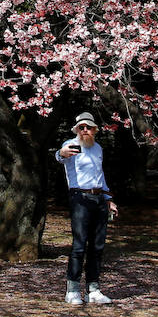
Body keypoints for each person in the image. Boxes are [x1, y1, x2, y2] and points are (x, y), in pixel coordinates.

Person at [55, 112, 118, 305]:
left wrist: (108, 198)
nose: (85, 131)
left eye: (88, 127)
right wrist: (60, 154)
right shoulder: (71, 144)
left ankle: (93, 289)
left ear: (94, 130)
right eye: (81, 127)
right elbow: (60, 156)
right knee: (79, 245)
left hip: (99, 198)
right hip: (80, 197)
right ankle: (72, 289)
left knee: (97, 246)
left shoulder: (97, 148)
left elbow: (100, 175)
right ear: (76, 130)